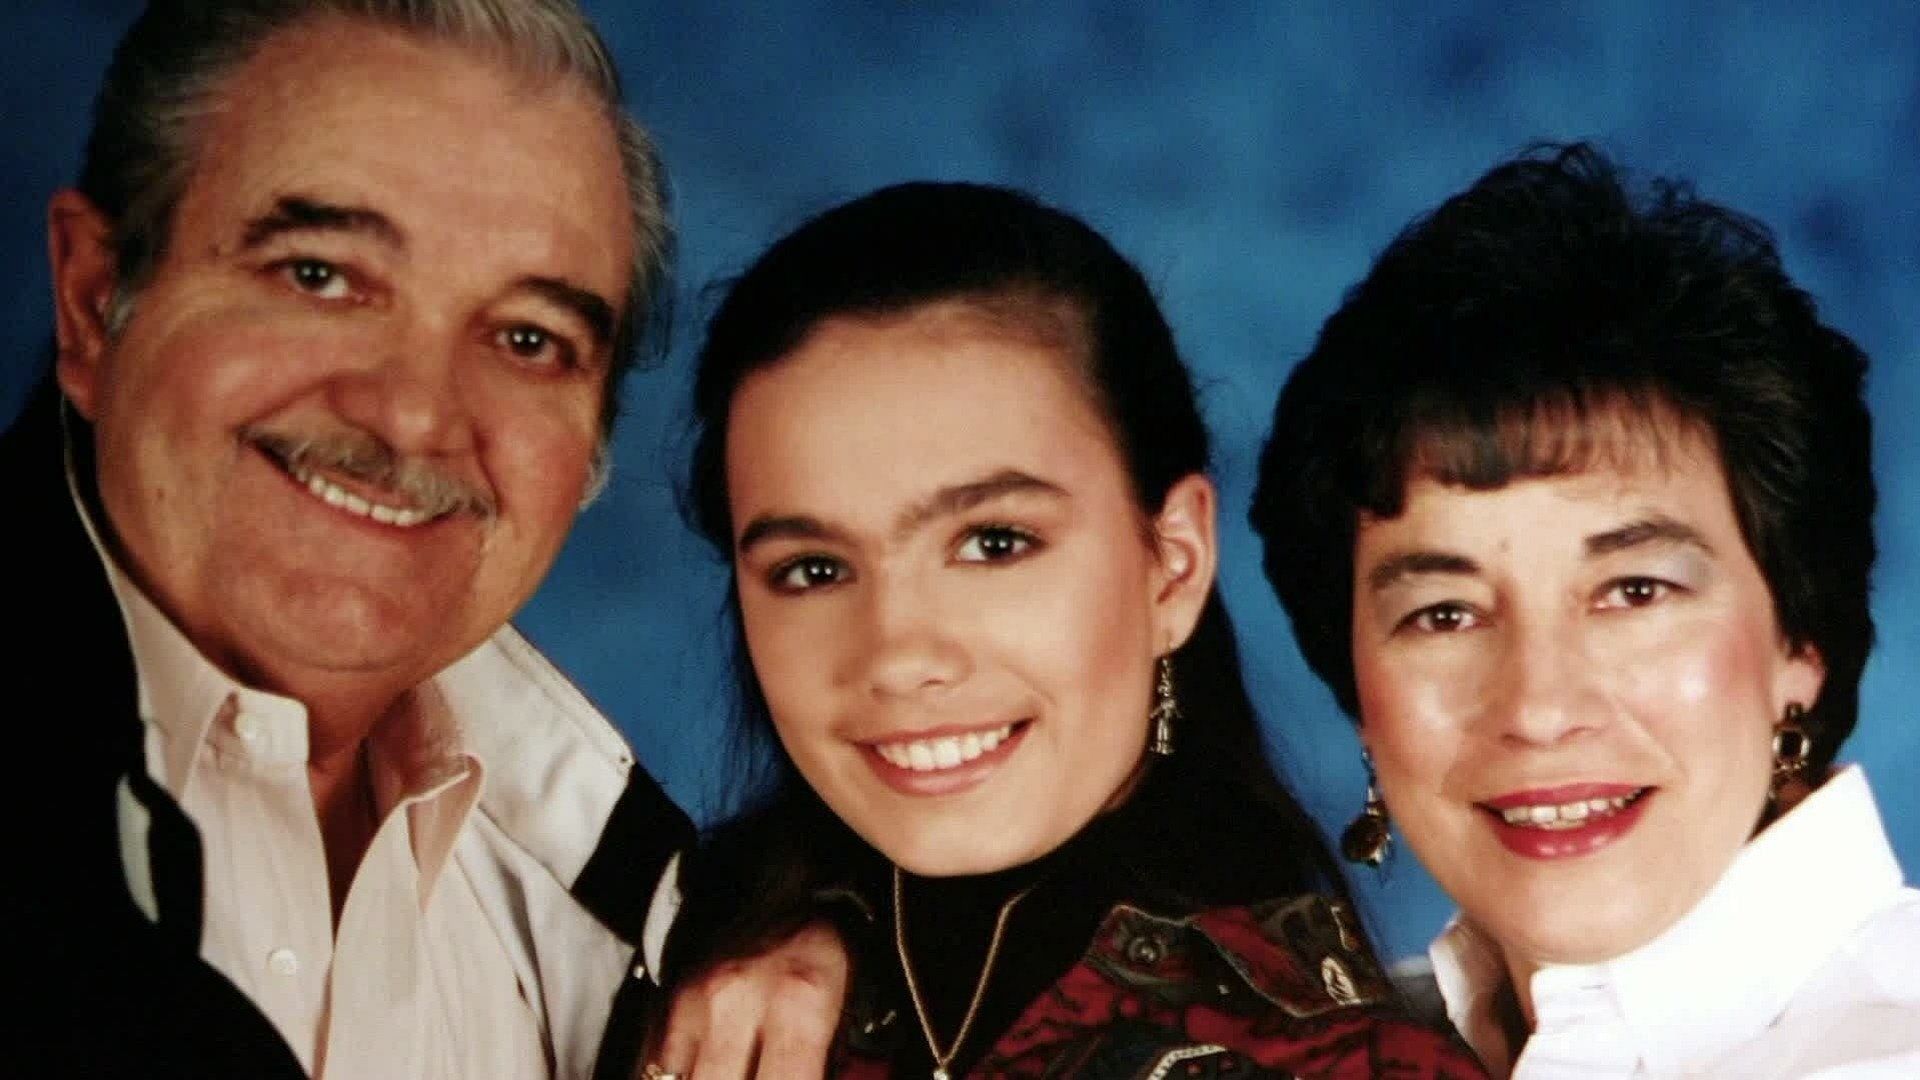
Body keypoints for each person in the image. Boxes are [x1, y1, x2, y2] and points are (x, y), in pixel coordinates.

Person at [16, 2, 839, 1077]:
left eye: (527, 339)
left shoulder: (646, 926)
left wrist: (840, 930)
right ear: (93, 300)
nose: (411, 416)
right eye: (320, 276)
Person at [657, 180, 1487, 1079]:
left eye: (993, 543)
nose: (898, 655)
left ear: (1172, 565)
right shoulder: (654, 964)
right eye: (813, 571)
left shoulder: (1353, 1064)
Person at [1251, 142, 1919, 1077]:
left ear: (1798, 639)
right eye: (1444, 613)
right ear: (1355, 683)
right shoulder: (1304, 1049)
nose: (1538, 708)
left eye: (1634, 592)